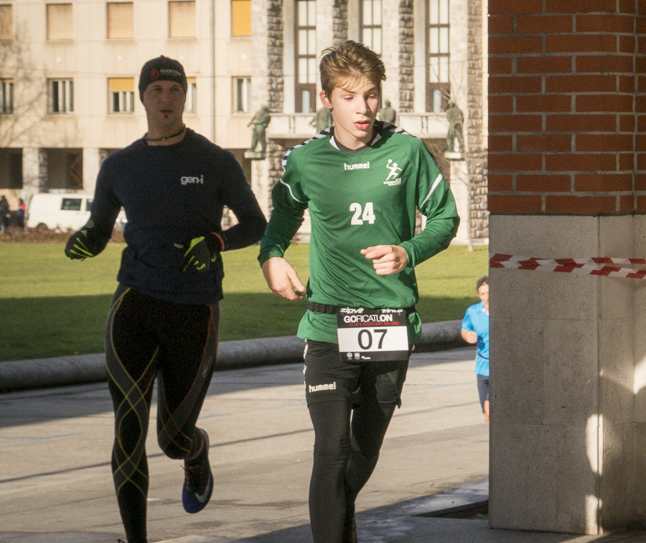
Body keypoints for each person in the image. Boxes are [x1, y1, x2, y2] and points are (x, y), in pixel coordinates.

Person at [258, 40, 459, 543]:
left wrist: (408, 252)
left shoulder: (407, 151)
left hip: (389, 323)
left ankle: (338, 523)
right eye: (349, 97)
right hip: (327, 325)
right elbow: (282, 218)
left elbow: (445, 218)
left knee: (363, 453)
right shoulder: (305, 160)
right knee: (330, 450)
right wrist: (272, 256)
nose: (363, 107)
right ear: (326, 100)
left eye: (370, 94)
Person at [63, 56, 266, 543]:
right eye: (156, 91)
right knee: (128, 427)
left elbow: (257, 224)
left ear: (185, 98)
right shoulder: (119, 166)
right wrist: (86, 241)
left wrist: (216, 242)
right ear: (142, 98)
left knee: (172, 439)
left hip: (194, 310)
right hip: (134, 304)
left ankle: (195, 454)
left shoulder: (215, 161)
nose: (165, 99)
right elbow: (99, 227)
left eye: (175, 90)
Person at [460, 276, 490, 422]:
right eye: (483, 294)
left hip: (502, 366)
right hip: (482, 366)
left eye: (489, 293)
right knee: (486, 413)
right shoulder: (473, 311)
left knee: (490, 407)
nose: (486, 297)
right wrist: (467, 336)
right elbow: (465, 329)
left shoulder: (505, 312)